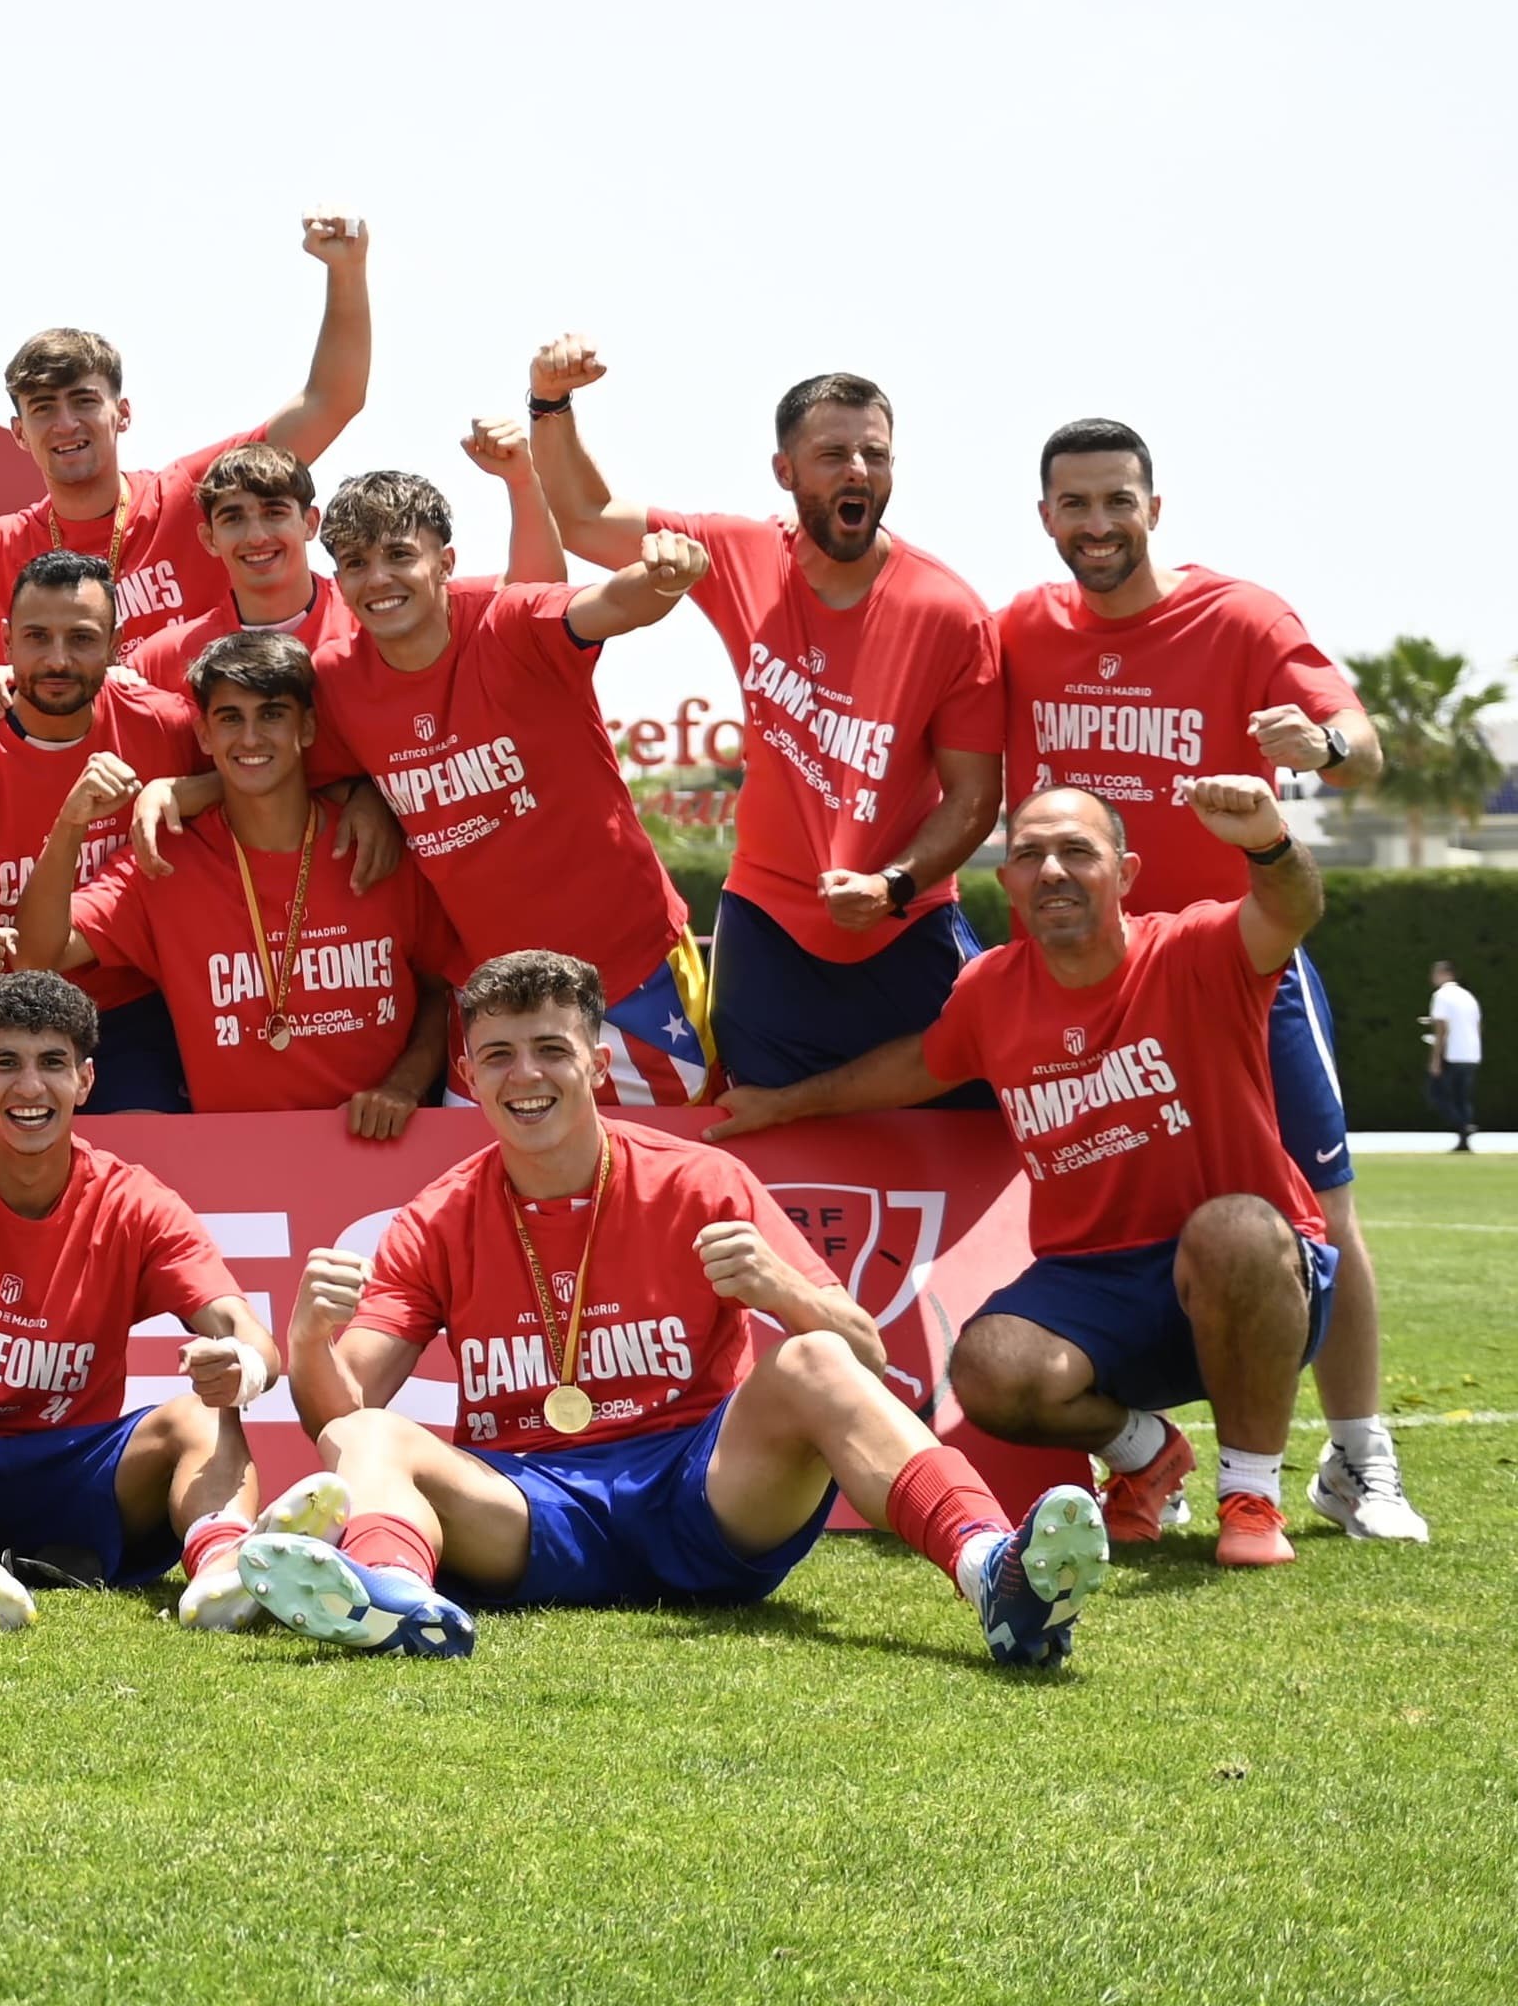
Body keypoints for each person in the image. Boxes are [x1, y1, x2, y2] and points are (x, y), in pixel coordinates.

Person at [246, 951, 1110, 1667]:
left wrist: (778, 1291)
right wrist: (307, 1339)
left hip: (703, 1495)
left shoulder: (699, 1179)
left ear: (594, 1062)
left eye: (550, 1048)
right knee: (368, 1440)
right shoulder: (439, 1214)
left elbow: (866, 1358)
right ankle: (394, 1603)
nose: (526, 1076)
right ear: (467, 1075)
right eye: (499, 1055)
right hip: (525, 1506)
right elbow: (340, 1420)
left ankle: (992, 1571)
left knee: (812, 1358)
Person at [714, 778, 1342, 1568]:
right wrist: (785, 1105)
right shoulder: (991, 988)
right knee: (989, 1369)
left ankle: (1250, 1495)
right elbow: (918, 1065)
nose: (1050, 871)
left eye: (1077, 851)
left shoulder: (1195, 950)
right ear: (1006, 882)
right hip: (1096, 1285)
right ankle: (1145, 1453)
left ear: (1125, 872)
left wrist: (1267, 842)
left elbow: (1289, 911)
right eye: (1028, 855)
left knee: (1233, 1228)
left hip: (1257, 1274)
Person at [996, 420, 1416, 1545]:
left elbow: (1363, 742)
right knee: (1112, 1230)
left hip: (1240, 967)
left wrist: (1318, 748)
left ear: (1154, 506)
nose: (1096, 523)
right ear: (1046, 518)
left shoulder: (1241, 616)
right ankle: (1143, 1454)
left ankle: (1361, 1460)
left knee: (1319, 1213)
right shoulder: (1021, 631)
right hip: (1094, 995)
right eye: (1073, 504)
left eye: (1116, 500)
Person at [528, 349, 1005, 1094]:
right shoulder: (740, 552)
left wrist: (893, 885)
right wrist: (549, 404)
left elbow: (975, 797)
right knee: (764, 1129)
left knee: (972, 1122)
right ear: (784, 472)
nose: (856, 469)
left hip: (905, 923)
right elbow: (583, 519)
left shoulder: (949, 613)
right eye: (832, 454)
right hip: (766, 922)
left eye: (873, 453)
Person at [0, 970, 292, 1637]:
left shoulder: (134, 1202)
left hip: (78, 1467)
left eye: (52, 1064)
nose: (30, 1088)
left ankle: (222, 1574)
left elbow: (245, 1331)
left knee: (203, 1415)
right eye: (6, 1064)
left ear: (84, 1081)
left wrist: (243, 1367)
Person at [290, 468, 718, 1100]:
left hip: (631, 973)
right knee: (502, 1190)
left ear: (446, 561)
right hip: (493, 998)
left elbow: (612, 605)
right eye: (355, 563)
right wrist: (363, 794)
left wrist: (664, 577)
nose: (377, 579)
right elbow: (296, 775)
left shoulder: (509, 619)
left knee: (673, 1171)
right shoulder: (335, 678)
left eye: (400, 555)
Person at [14, 633, 456, 1131]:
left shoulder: (373, 842)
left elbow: (444, 989)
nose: (250, 737)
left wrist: (404, 1086)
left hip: (381, 1151)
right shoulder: (165, 862)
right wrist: (71, 825)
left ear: (307, 726)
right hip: (234, 1176)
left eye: (271, 714)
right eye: (230, 718)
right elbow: (39, 956)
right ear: (203, 734)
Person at [0, 219, 373, 660]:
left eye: (83, 402)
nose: (66, 424)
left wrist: (346, 269)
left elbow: (331, 401)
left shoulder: (192, 493)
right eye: (43, 408)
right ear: (19, 433)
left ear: (123, 415)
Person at [0, 552, 205, 1116]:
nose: (57, 660)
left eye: (81, 638)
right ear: (5, 642)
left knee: (146, 1164)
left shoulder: (164, 726)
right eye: (36, 637)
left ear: (117, 641)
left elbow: (257, 776)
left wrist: (179, 790)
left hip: (121, 1014)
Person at [120, 442, 353, 686]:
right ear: (209, 539)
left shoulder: (366, 625)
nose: (256, 537)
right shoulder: (160, 663)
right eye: (234, 519)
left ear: (310, 523)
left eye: (274, 513)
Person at [1432, 961, 1483, 1154]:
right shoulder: (1468, 997)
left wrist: (1436, 1059)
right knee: (1463, 1098)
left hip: (1453, 1053)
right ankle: (1464, 1136)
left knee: (1437, 1094)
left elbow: (1441, 1028)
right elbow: (1477, 1026)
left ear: (1444, 974)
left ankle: (1462, 1125)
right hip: (1471, 1053)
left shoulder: (1442, 996)